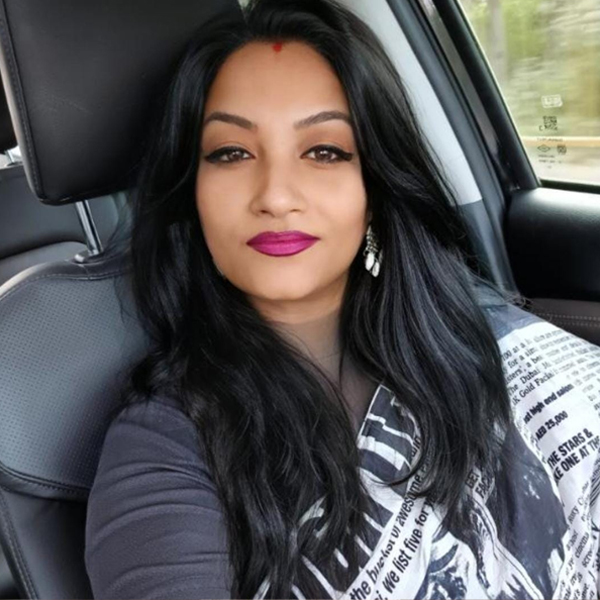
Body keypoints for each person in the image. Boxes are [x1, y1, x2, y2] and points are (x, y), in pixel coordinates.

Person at [84, 0, 600, 598]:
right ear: (190, 193)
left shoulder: (472, 327)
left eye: (324, 151)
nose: (276, 196)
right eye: (231, 153)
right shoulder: (164, 450)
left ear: (374, 187)